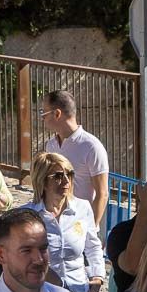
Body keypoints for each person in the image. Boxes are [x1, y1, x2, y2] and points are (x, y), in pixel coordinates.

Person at [25, 151, 105, 292]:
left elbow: (93, 245)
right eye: (58, 176)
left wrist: (97, 276)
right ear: (42, 181)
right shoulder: (28, 214)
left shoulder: (83, 208)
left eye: (69, 174)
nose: (66, 181)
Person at [41, 89, 110, 225]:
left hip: (80, 222)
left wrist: (92, 228)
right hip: (54, 220)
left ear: (57, 114)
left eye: (44, 113)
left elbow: (102, 193)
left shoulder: (91, 146)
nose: (42, 117)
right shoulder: (51, 145)